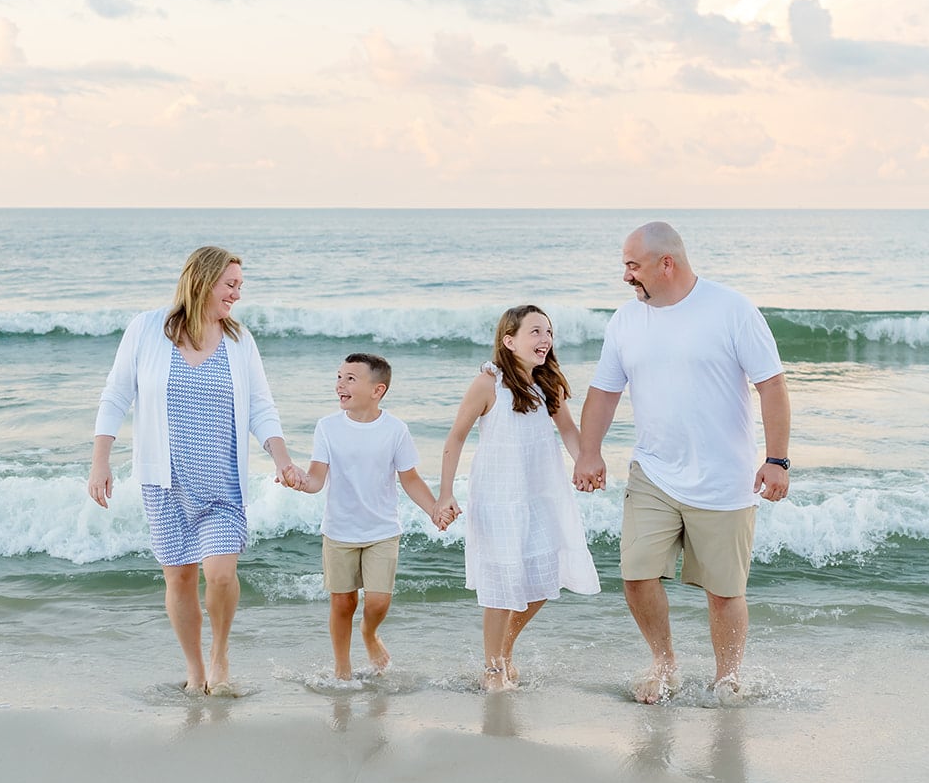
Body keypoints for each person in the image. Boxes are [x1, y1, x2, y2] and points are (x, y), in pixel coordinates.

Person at [573, 222, 791, 704]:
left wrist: (777, 460)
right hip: (653, 472)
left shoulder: (731, 310)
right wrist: (589, 453)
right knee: (635, 575)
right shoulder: (627, 321)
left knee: (724, 591)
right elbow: (604, 392)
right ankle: (663, 663)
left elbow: (772, 385)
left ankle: (728, 677)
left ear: (665, 263)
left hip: (723, 478)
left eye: (633, 265)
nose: (626, 276)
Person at [87, 245, 302, 695]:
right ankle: (195, 670)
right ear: (203, 281)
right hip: (165, 482)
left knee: (221, 575)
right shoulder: (147, 329)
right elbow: (116, 395)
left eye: (240, 285)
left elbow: (262, 407)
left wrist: (281, 458)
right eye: (231, 284)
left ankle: (220, 655)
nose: (237, 294)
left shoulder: (240, 341)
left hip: (222, 482)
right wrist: (100, 462)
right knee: (180, 578)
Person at [436, 305, 600, 692]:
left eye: (548, 333)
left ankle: (505, 649)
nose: (545, 340)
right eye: (536, 332)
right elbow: (456, 437)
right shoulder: (488, 384)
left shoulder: (548, 384)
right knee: (500, 586)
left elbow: (570, 431)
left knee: (543, 579)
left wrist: (587, 463)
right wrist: (446, 493)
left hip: (540, 494)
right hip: (497, 496)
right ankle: (493, 669)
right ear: (509, 341)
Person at [288, 353, 445, 681]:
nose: (340, 384)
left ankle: (370, 634)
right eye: (339, 376)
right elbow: (316, 479)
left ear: (377, 390)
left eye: (350, 379)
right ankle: (342, 667)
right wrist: (300, 481)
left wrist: (434, 510)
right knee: (343, 602)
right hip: (340, 530)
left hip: (382, 529)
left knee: (377, 602)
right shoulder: (327, 427)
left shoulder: (395, 430)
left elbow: (410, 478)